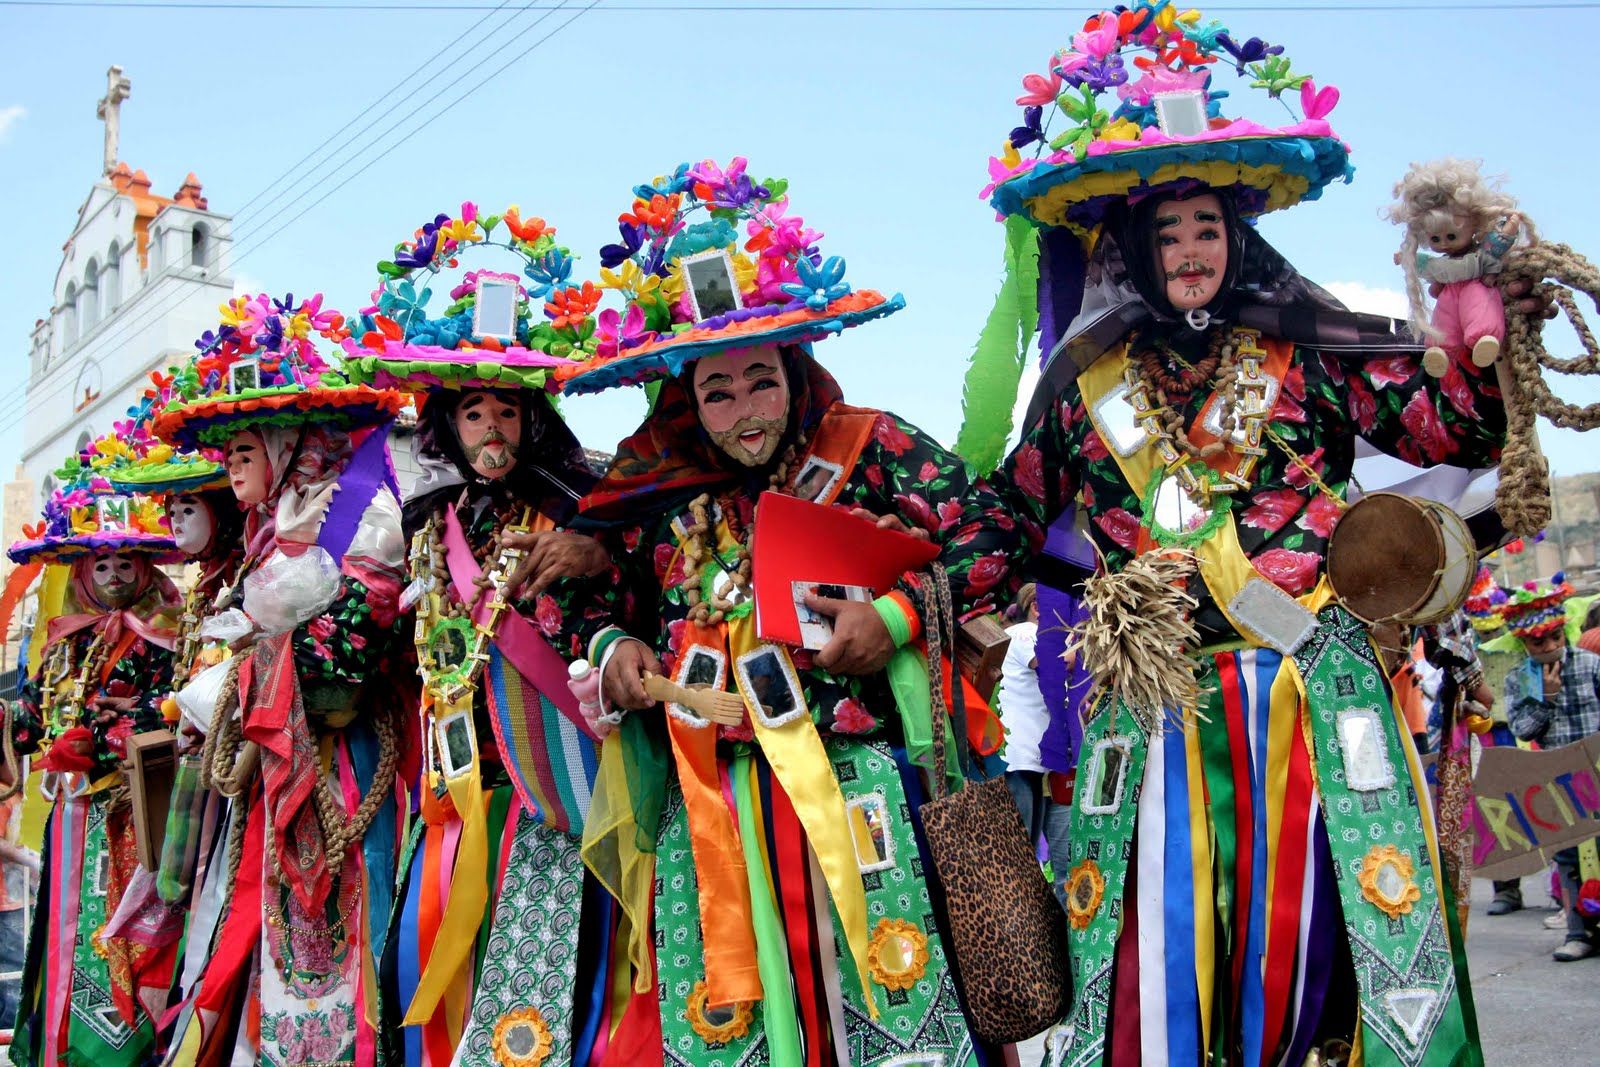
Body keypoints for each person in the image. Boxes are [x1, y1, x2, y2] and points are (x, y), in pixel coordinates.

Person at [982, 8, 1514, 1063]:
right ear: (1131, 245)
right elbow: (1005, 519)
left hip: (1314, 686)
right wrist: (924, 590)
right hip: (1155, 699)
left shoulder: (1308, 353)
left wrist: (1484, 322)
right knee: (1155, 954)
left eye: (1206, 228)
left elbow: (1450, 426)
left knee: (1335, 930)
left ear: (1239, 238)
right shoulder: (1081, 390)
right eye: (1167, 231)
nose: (1189, 249)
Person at [550, 159, 1016, 1065]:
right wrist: (612, 647)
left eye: (760, 380)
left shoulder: (866, 445)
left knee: (891, 995)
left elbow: (992, 528)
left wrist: (897, 615)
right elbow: (588, 594)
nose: (743, 412)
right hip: (712, 796)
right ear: (684, 395)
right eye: (714, 392)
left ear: (794, 367)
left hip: (863, 779)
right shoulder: (650, 490)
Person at [342, 203, 619, 1066]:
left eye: (507, 409)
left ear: (532, 419)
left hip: (555, 790)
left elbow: (636, 581)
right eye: (473, 413)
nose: (492, 427)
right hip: (451, 793)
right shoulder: (427, 528)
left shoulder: (583, 508)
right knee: (436, 981)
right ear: (446, 427)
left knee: (544, 1002)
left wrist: (595, 553)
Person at [150, 292, 410, 1066]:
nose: (232, 461)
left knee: (343, 924)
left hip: (344, 756)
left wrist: (242, 671)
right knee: (256, 928)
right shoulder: (270, 530)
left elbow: (356, 639)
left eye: (245, 445)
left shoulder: (360, 511)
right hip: (273, 760)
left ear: (290, 440)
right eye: (227, 449)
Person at [5, 459, 182, 1067]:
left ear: (147, 564)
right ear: (81, 569)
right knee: (64, 932)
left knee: (132, 938)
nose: (112, 574)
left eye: (125, 561)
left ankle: (130, 1050)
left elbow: (182, 709)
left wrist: (116, 730)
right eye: (100, 562)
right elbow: (31, 718)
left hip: (138, 815)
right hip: (73, 818)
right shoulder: (63, 641)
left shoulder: (173, 632)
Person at [1501, 574, 1600, 961]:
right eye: (1539, 642)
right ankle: (1579, 933)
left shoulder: (1591, 665)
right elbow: (1523, 728)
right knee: (1569, 857)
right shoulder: (1519, 679)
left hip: (1595, 770)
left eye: (1556, 637)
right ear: (1524, 642)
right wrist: (1547, 698)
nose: (1550, 647)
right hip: (1559, 781)